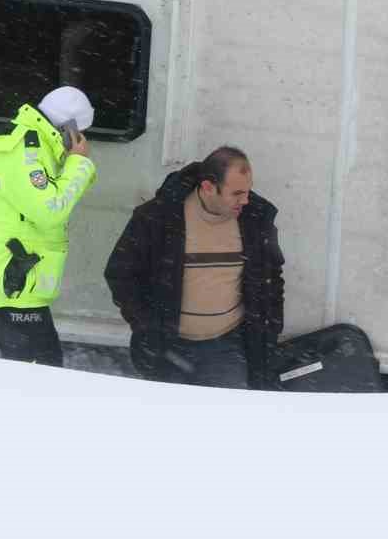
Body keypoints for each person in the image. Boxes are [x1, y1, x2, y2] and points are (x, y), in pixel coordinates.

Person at [105, 146, 285, 388]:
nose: (246, 200)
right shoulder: (158, 217)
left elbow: (272, 277)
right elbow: (120, 272)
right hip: (169, 347)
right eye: (237, 193)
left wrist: (270, 328)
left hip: (228, 347)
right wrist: (146, 324)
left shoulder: (255, 220)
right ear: (208, 187)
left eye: (248, 191)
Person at [0, 85, 98, 366]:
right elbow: (50, 211)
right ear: (69, 128)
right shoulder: (26, 151)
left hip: (11, 280)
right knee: (41, 373)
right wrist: (79, 162)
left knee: (32, 371)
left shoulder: (20, 139)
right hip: (14, 282)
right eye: (81, 132)